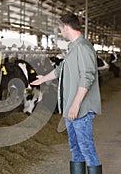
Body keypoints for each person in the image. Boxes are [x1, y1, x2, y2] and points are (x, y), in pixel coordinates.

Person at [31, 13, 102, 174]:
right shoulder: (73, 47)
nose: (60, 31)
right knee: (75, 148)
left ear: (67, 27)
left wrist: (76, 104)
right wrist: (43, 79)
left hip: (81, 109)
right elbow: (60, 69)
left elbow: (87, 77)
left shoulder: (83, 48)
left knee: (86, 148)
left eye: (60, 28)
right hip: (71, 107)